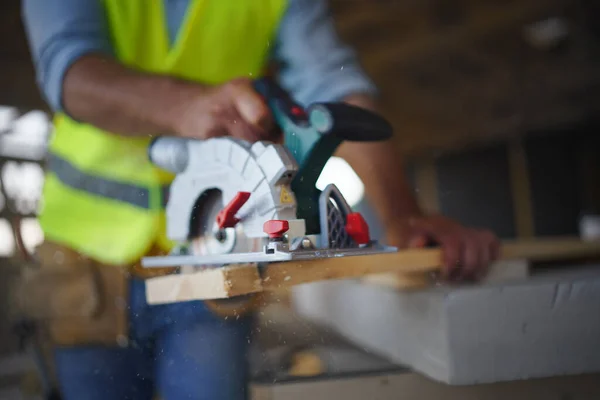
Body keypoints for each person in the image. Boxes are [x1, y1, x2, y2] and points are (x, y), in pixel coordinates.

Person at [20, 0, 500, 399]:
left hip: (211, 261)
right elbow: (70, 70)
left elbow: (333, 91)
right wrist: (187, 105)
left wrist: (404, 217)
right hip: (85, 263)